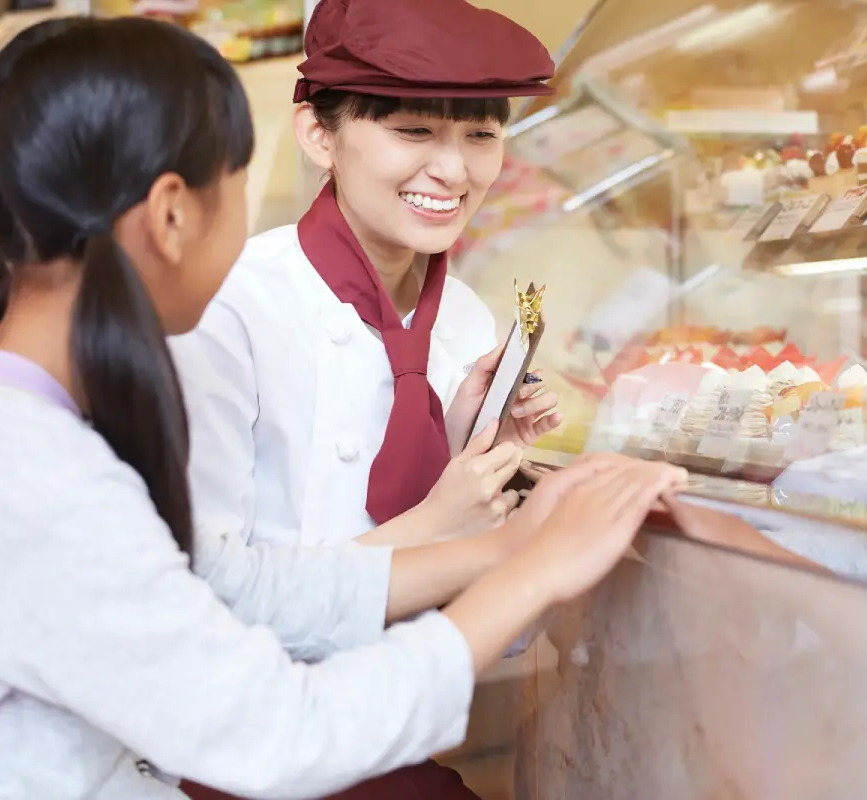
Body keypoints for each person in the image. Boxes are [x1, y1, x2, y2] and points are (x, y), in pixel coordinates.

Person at [0, 16, 686, 800]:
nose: (452, 169)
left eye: (480, 135)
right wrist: (532, 567)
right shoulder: (25, 472)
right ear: (173, 215)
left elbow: (240, 581)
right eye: (239, 183)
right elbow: (279, 730)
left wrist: (502, 549)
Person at [169, 3, 565, 794]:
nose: (454, 172)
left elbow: (490, 632)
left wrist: (473, 459)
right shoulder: (229, 307)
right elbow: (199, 607)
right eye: (414, 132)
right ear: (320, 134)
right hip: (248, 758)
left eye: (481, 136)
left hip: (398, 736)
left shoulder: (465, 316)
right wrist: (438, 525)